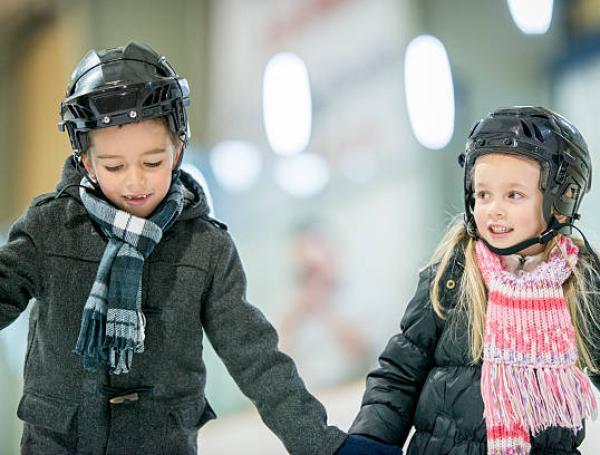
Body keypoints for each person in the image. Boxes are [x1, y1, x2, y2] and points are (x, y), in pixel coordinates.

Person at [0, 41, 399, 455]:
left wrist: (322, 445)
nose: (135, 181)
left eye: (152, 162)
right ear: (85, 160)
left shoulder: (205, 246)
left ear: (178, 150)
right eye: (115, 167)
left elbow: (255, 357)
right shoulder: (50, 229)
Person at [348, 106, 600, 454]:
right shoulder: (453, 276)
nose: (493, 208)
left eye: (513, 195)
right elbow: (399, 373)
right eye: (483, 194)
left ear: (561, 199)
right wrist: (370, 439)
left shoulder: (580, 284)